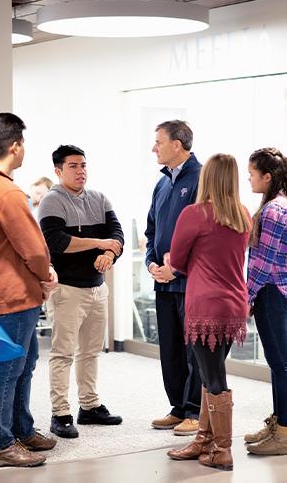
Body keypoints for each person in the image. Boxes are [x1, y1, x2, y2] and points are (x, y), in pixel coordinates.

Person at [166, 154, 252, 471]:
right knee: (209, 372)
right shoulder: (243, 215)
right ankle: (204, 439)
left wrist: (191, 266)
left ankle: (223, 449)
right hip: (233, 305)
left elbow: (176, 261)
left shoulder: (195, 214)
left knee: (214, 376)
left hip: (205, 305)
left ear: (208, 178)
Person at [38, 144, 124, 439]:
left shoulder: (100, 199)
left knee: (90, 352)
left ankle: (89, 407)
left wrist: (110, 254)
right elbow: (56, 242)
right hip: (67, 290)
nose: (81, 171)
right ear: (58, 171)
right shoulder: (51, 201)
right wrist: (100, 244)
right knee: (63, 354)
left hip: (98, 289)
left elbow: (117, 236)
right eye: (73, 166)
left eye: (83, 165)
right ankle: (60, 414)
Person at [0, 113, 58, 468]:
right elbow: (32, 248)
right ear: (15, 147)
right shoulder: (7, 191)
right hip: (13, 295)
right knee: (9, 367)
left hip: (2, 293)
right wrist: (46, 275)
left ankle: (21, 428)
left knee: (23, 363)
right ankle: (0, 443)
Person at [145, 120, 202, 436]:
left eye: (158, 142)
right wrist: (152, 263)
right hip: (162, 281)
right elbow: (152, 228)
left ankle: (195, 409)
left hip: (189, 281)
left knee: (194, 348)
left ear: (177, 144)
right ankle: (178, 407)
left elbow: (203, 234)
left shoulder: (201, 178)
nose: (154, 148)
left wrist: (176, 268)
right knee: (170, 349)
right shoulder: (162, 183)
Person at [245, 148, 287, 456]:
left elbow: (264, 263)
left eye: (251, 174)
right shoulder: (279, 205)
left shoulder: (274, 210)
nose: (249, 179)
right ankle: (279, 423)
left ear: (267, 176)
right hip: (276, 292)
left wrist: (246, 296)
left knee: (281, 363)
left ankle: (284, 432)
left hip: (271, 293)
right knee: (280, 363)